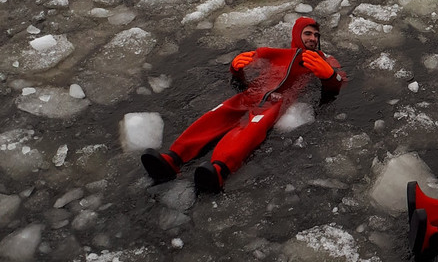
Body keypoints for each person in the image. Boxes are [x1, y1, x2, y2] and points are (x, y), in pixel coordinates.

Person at [140, 16, 345, 192]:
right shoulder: (273, 53)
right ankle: (173, 158)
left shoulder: (324, 58)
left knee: (250, 129)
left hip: (277, 101)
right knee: (215, 116)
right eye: (308, 33)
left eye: (316, 36)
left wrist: (330, 75)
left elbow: (340, 80)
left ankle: (219, 169)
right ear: (296, 34)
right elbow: (246, 65)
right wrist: (236, 69)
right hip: (252, 93)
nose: (313, 39)